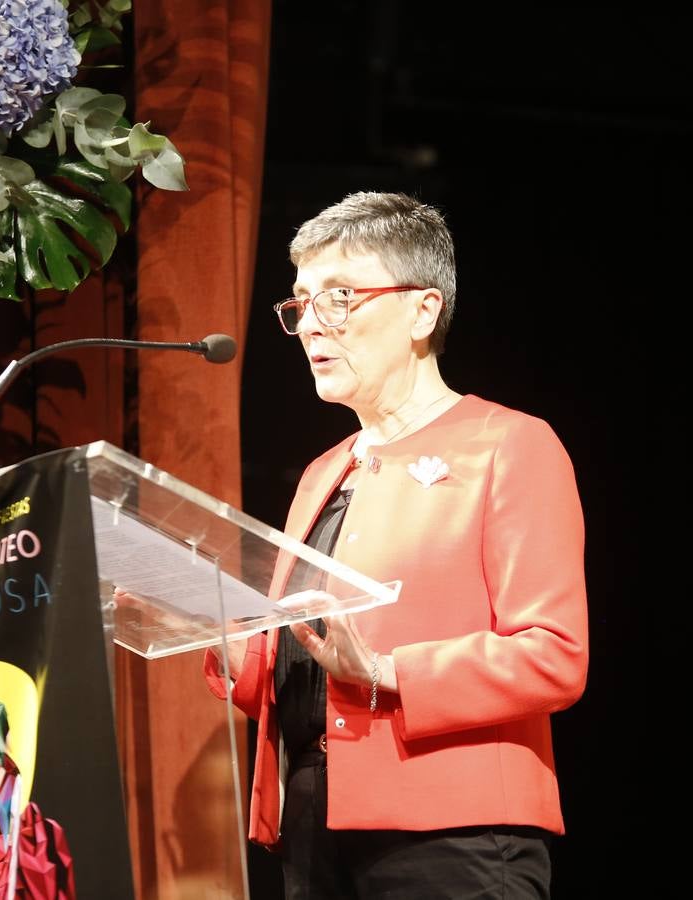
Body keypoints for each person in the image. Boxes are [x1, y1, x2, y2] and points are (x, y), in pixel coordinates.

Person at [203, 191, 589, 899]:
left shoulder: (508, 445)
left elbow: (554, 654)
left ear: (423, 310)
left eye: (340, 298)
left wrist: (386, 671)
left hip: (452, 833)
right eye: (301, 304)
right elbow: (304, 673)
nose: (313, 326)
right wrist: (217, 632)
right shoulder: (325, 472)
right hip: (315, 830)